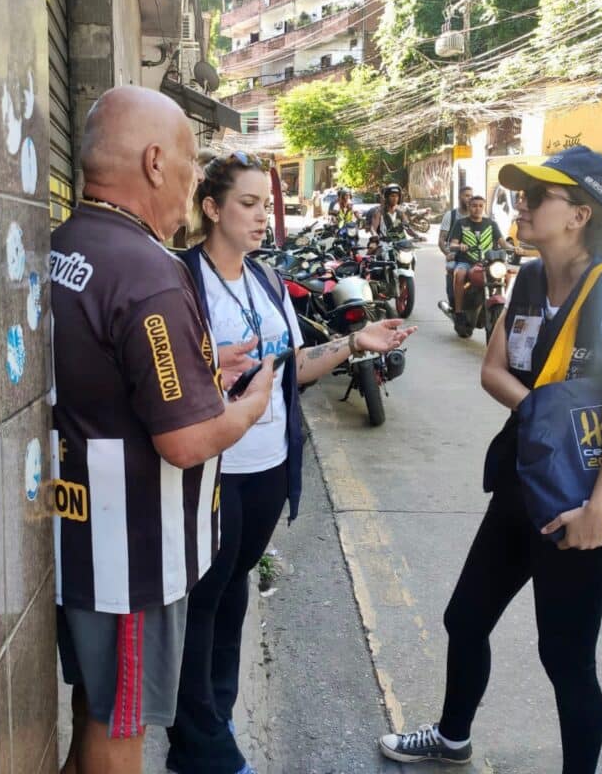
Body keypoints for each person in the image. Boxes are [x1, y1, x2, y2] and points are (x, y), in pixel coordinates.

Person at [378, 145, 602, 773]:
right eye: (519, 194)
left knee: (565, 656)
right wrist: (541, 412)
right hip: (524, 482)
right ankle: (453, 739)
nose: (520, 205)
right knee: (465, 617)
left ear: (579, 214)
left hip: (580, 501)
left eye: (537, 196)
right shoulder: (529, 278)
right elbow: (493, 368)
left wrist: (599, 511)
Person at [51, 86, 275, 774]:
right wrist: (248, 405)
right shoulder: (149, 271)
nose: (188, 180)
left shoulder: (66, 244)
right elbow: (182, 439)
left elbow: (111, 370)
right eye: (186, 161)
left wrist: (205, 362)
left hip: (75, 537)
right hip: (131, 558)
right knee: (120, 723)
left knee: (94, 705)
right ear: (154, 162)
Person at [170, 150, 417, 774]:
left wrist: (355, 343)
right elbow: (169, 384)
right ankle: (201, 748)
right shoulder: (182, 282)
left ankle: (215, 717)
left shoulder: (268, 281)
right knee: (202, 605)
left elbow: (292, 371)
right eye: (247, 205)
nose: (261, 218)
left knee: (231, 600)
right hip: (213, 473)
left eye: (263, 205)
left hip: (270, 470)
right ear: (211, 208)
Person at [443, 194, 506, 315]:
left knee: (507, 276)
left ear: (484, 207)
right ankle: (458, 311)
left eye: (480, 206)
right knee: (459, 274)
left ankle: (504, 309)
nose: (477, 209)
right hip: (465, 262)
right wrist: (459, 246)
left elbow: (503, 243)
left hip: (487, 263)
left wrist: (515, 248)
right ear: (469, 206)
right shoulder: (460, 223)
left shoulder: (491, 224)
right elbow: (452, 244)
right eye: (474, 206)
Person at [438, 185, 474, 253]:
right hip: (455, 255)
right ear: (459, 197)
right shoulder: (450, 215)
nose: (469, 198)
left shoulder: (477, 216)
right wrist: (448, 254)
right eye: (467, 196)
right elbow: (441, 240)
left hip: (473, 255)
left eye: (471, 196)